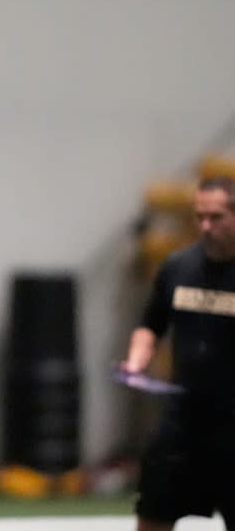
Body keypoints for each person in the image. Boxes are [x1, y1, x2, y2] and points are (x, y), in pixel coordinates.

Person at [120, 175, 235, 531]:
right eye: (199, 217)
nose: (205, 226)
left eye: (216, 218)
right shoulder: (177, 267)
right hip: (183, 421)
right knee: (153, 513)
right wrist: (137, 360)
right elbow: (150, 324)